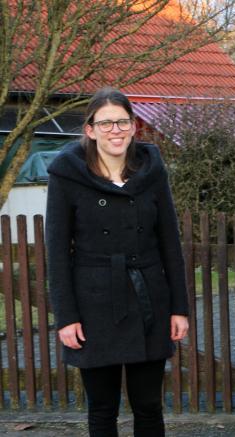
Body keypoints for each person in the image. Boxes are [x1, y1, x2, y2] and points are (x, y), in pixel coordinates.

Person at [46, 87, 189, 437]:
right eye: (106, 123)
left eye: (122, 122)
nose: (116, 130)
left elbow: (170, 242)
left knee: (149, 407)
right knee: (102, 409)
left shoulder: (152, 169)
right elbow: (57, 251)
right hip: (93, 303)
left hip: (148, 300)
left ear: (133, 126)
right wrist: (67, 317)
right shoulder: (67, 173)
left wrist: (179, 308)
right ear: (90, 129)